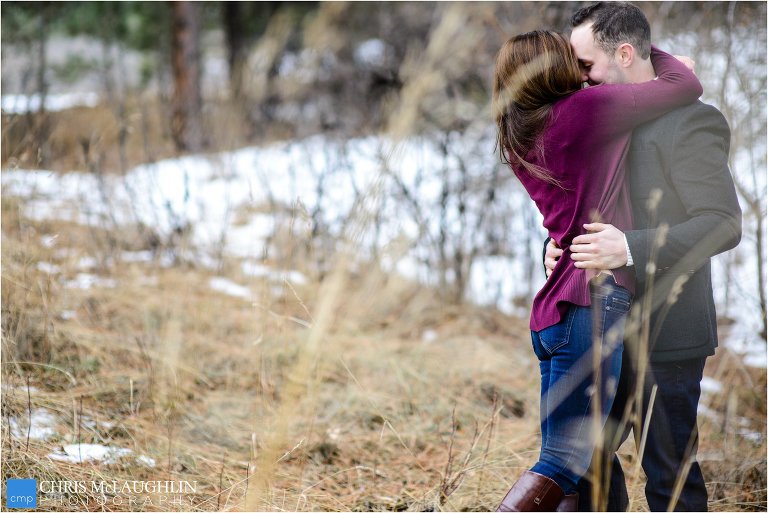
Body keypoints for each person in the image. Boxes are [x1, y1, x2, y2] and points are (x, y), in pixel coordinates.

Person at [492, 25, 703, 511]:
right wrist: (663, 56)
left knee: (575, 464)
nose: (584, 73)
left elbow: (572, 202)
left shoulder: (519, 130)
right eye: (575, 62)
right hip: (587, 306)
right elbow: (684, 86)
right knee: (566, 460)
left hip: (552, 313)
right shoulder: (587, 110)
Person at [543, 3, 742, 511]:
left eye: (586, 65)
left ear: (626, 53)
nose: (578, 78)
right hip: (593, 331)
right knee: (588, 474)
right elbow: (576, 202)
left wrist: (627, 247)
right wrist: (557, 249)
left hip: (667, 334)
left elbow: (722, 223)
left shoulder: (692, 123)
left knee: (669, 480)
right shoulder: (595, 116)